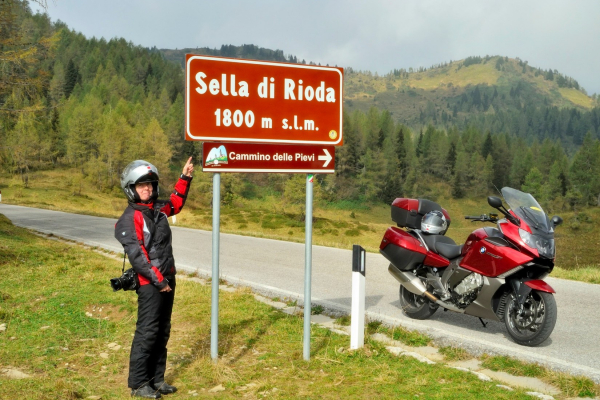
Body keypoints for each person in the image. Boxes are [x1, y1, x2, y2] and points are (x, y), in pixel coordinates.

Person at [115, 157, 194, 399]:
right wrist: (160, 282)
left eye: (150, 185)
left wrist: (185, 177)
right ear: (131, 189)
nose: (147, 189)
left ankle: (156, 381)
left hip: (167, 279)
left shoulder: (158, 209)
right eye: (141, 186)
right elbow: (139, 258)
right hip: (151, 284)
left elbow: (176, 204)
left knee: (162, 331)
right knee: (147, 332)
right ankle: (138, 385)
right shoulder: (128, 220)